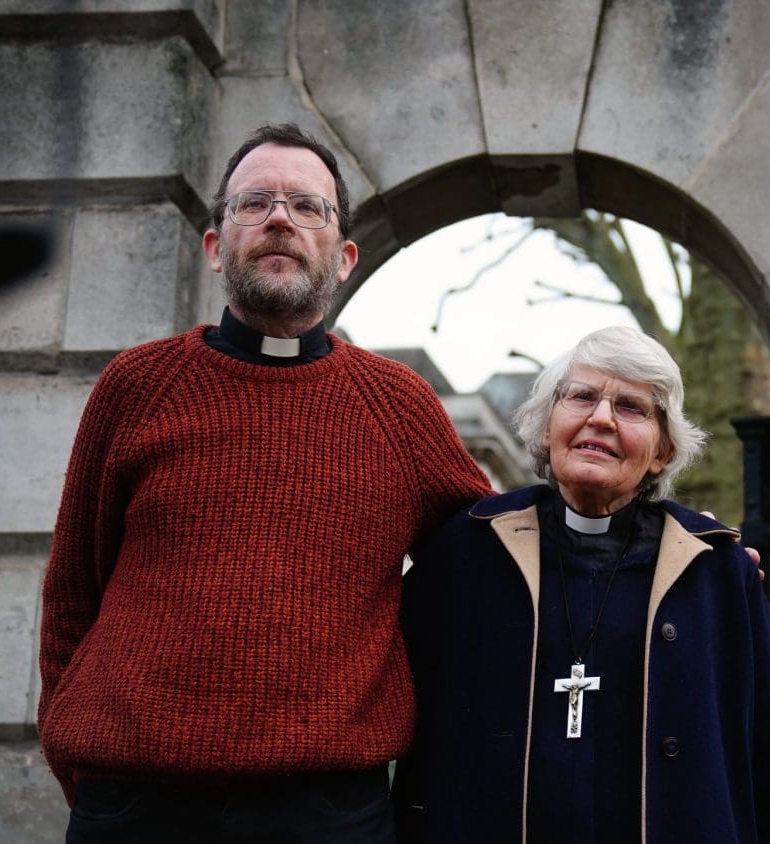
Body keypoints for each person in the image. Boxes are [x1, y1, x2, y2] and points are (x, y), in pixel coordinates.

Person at [37, 123, 494, 842]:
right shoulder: (138, 386)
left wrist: (679, 555)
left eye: (308, 206)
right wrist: (77, 756)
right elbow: (73, 590)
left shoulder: (398, 406)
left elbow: (505, 555)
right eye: (254, 203)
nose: (280, 217)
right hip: (136, 807)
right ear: (216, 246)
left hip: (326, 813)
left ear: (343, 258)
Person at [393, 325, 770, 843]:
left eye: (632, 407)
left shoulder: (716, 570)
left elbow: (769, 756)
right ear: (547, 427)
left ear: (661, 451)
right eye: (582, 396)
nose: (601, 418)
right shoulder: (467, 550)